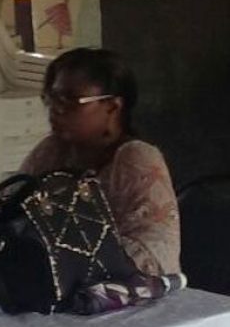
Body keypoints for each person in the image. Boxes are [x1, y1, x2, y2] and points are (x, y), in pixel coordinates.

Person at [19, 48, 180, 275]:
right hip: (55, 289)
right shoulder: (52, 151)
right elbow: (9, 209)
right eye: (52, 98)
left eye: (70, 100)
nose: (55, 109)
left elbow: (153, 255)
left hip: (124, 298)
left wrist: (63, 258)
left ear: (112, 107)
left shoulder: (136, 159)